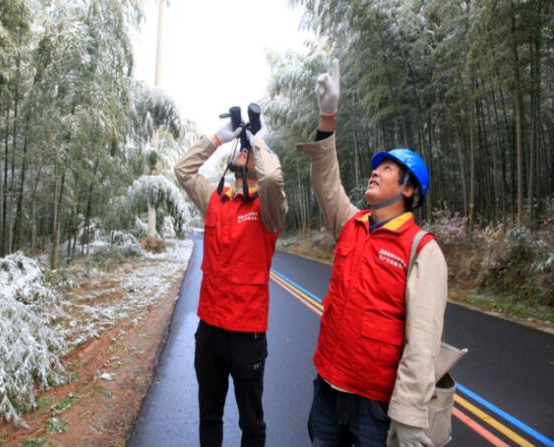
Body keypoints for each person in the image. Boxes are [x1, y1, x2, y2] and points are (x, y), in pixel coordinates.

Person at [298, 59, 448, 447]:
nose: (376, 171)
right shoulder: (352, 222)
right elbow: (327, 181)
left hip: (374, 407)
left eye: (388, 167)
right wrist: (327, 116)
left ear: (409, 190)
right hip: (327, 390)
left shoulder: (422, 250)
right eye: (376, 165)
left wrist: (410, 416)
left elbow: (423, 341)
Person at [174, 117, 287, 447]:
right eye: (242, 150)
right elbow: (183, 170)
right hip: (208, 332)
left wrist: (259, 142)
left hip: (246, 337)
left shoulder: (269, 210)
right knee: (209, 417)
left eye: (249, 153)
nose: (244, 152)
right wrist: (216, 138)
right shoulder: (214, 201)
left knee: (251, 423)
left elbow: (271, 178)